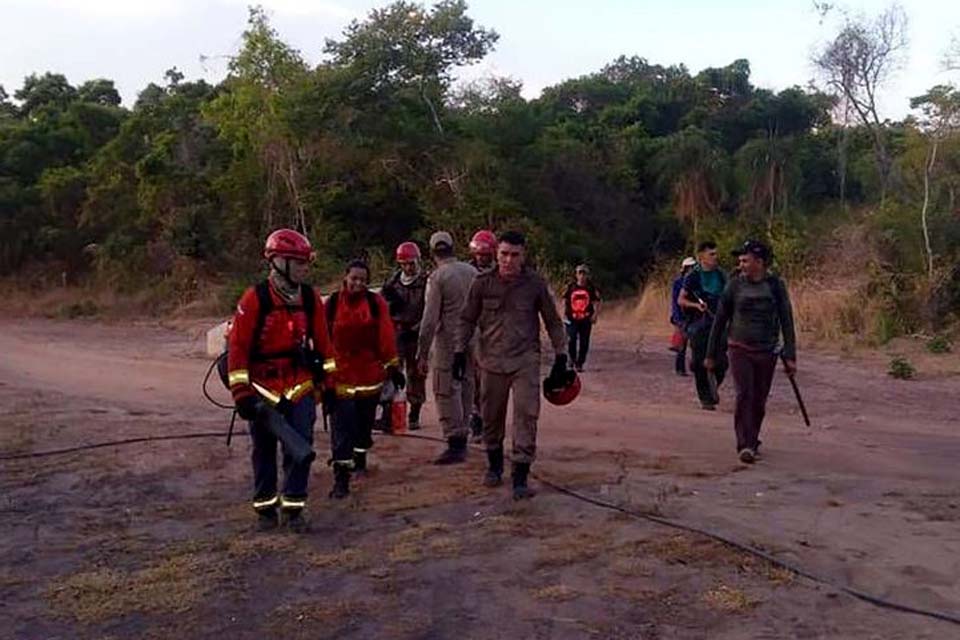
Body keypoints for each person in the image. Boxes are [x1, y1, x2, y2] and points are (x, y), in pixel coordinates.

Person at [227, 229, 337, 532]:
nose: (304, 268)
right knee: (263, 450)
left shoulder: (311, 298)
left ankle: (294, 508)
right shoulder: (255, 299)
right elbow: (237, 348)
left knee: (300, 447)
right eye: (298, 262)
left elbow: (326, 347)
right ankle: (265, 508)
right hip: (262, 389)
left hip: (299, 384)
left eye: (306, 263)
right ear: (278, 262)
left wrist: (330, 386)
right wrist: (242, 394)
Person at [455, 231, 568, 500]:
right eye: (504, 254)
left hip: (525, 360)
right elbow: (466, 318)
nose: (508, 260)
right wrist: (459, 351)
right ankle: (494, 465)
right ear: (496, 254)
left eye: (514, 255)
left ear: (523, 256)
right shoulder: (482, 283)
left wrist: (562, 354)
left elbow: (553, 321)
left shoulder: (535, 285)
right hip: (491, 360)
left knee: (526, 415)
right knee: (490, 417)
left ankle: (520, 474)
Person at [705, 240, 797, 464]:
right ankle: (743, 443)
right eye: (740, 260)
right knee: (744, 394)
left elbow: (787, 320)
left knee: (759, 398)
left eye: (746, 260)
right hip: (739, 348)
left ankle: (753, 439)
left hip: (767, 350)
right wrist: (710, 354)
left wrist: (790, 354)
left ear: (760, 262)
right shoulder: (734, 285)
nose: (741, 264)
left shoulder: (775, 285)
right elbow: (720, 320)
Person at [327, 259, 405, 498]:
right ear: (345, 278)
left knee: (363, 425)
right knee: (342, 429)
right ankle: (341, 478)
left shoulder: (375, 303)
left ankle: (360, 458)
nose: (358, 283)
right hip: (340, 376)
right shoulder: (331, 304)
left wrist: (393, 367)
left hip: (369, 375)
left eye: (362, 280)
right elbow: (321, 338)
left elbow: (386, 335)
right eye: (354, 279)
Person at [416, 231, 478, 464]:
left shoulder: (438, 277)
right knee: (467, 385)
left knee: (445, 388)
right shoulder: (472, 272)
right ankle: (464, 432)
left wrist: (422, 352)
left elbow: (430, 319)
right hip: (472, 337)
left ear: (432, 252)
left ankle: (455, 441)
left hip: (448, 339)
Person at [380, 241, 428, 431]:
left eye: (412, 263)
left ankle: (414, 413)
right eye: (405, 264)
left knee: (417, 375)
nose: (408, 268)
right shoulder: (392, 282)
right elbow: (382, 308)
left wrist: (418, 328)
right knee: (392, 372)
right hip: (397, 332)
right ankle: (389, 413)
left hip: (416, 332)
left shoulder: (426, 282)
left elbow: (430, 310)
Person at [679, 241, 729, 410]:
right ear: (701, 257)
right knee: (700, 362)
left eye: (716, 254)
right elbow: (681, 300)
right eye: (711, 254)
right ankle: (705, 398)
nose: (715, 257)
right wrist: (696, 306)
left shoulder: (722, 275)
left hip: (719, 323)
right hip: (699, 324)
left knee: (722, 363)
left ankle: (712, 385)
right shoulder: (692, 276)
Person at [466, 229, 498, 441]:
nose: (483, 259)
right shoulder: (466, 273)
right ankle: (476, 418)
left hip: (497, 330)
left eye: (487, 255)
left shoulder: (502, 271)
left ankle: (490, 420)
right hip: (475, 330)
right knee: (475, 378)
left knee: (494, 379)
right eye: (480, 255)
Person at [562, 264, 602, 372]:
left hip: (585, 319)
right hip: (572, 318)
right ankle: (572, 360)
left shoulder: (591, 287)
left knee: (584, 342)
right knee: (571, 339)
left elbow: (597, 302)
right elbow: (565, 300)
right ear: (576, 275)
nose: (582, 276)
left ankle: (580, 363)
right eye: (580, 273)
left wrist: (595, 315)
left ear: (587, 275)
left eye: (584, 273)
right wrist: (564, 314)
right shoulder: (571, 287)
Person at [669, 257, 697, 376]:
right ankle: (680, 368)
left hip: (694, 315)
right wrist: (677, 318)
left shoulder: (696, 281)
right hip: (681, 316)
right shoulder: (678, 282)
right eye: (691, 267)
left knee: (696, 342)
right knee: (682, 344)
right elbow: (675, 302)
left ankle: (695, 366)